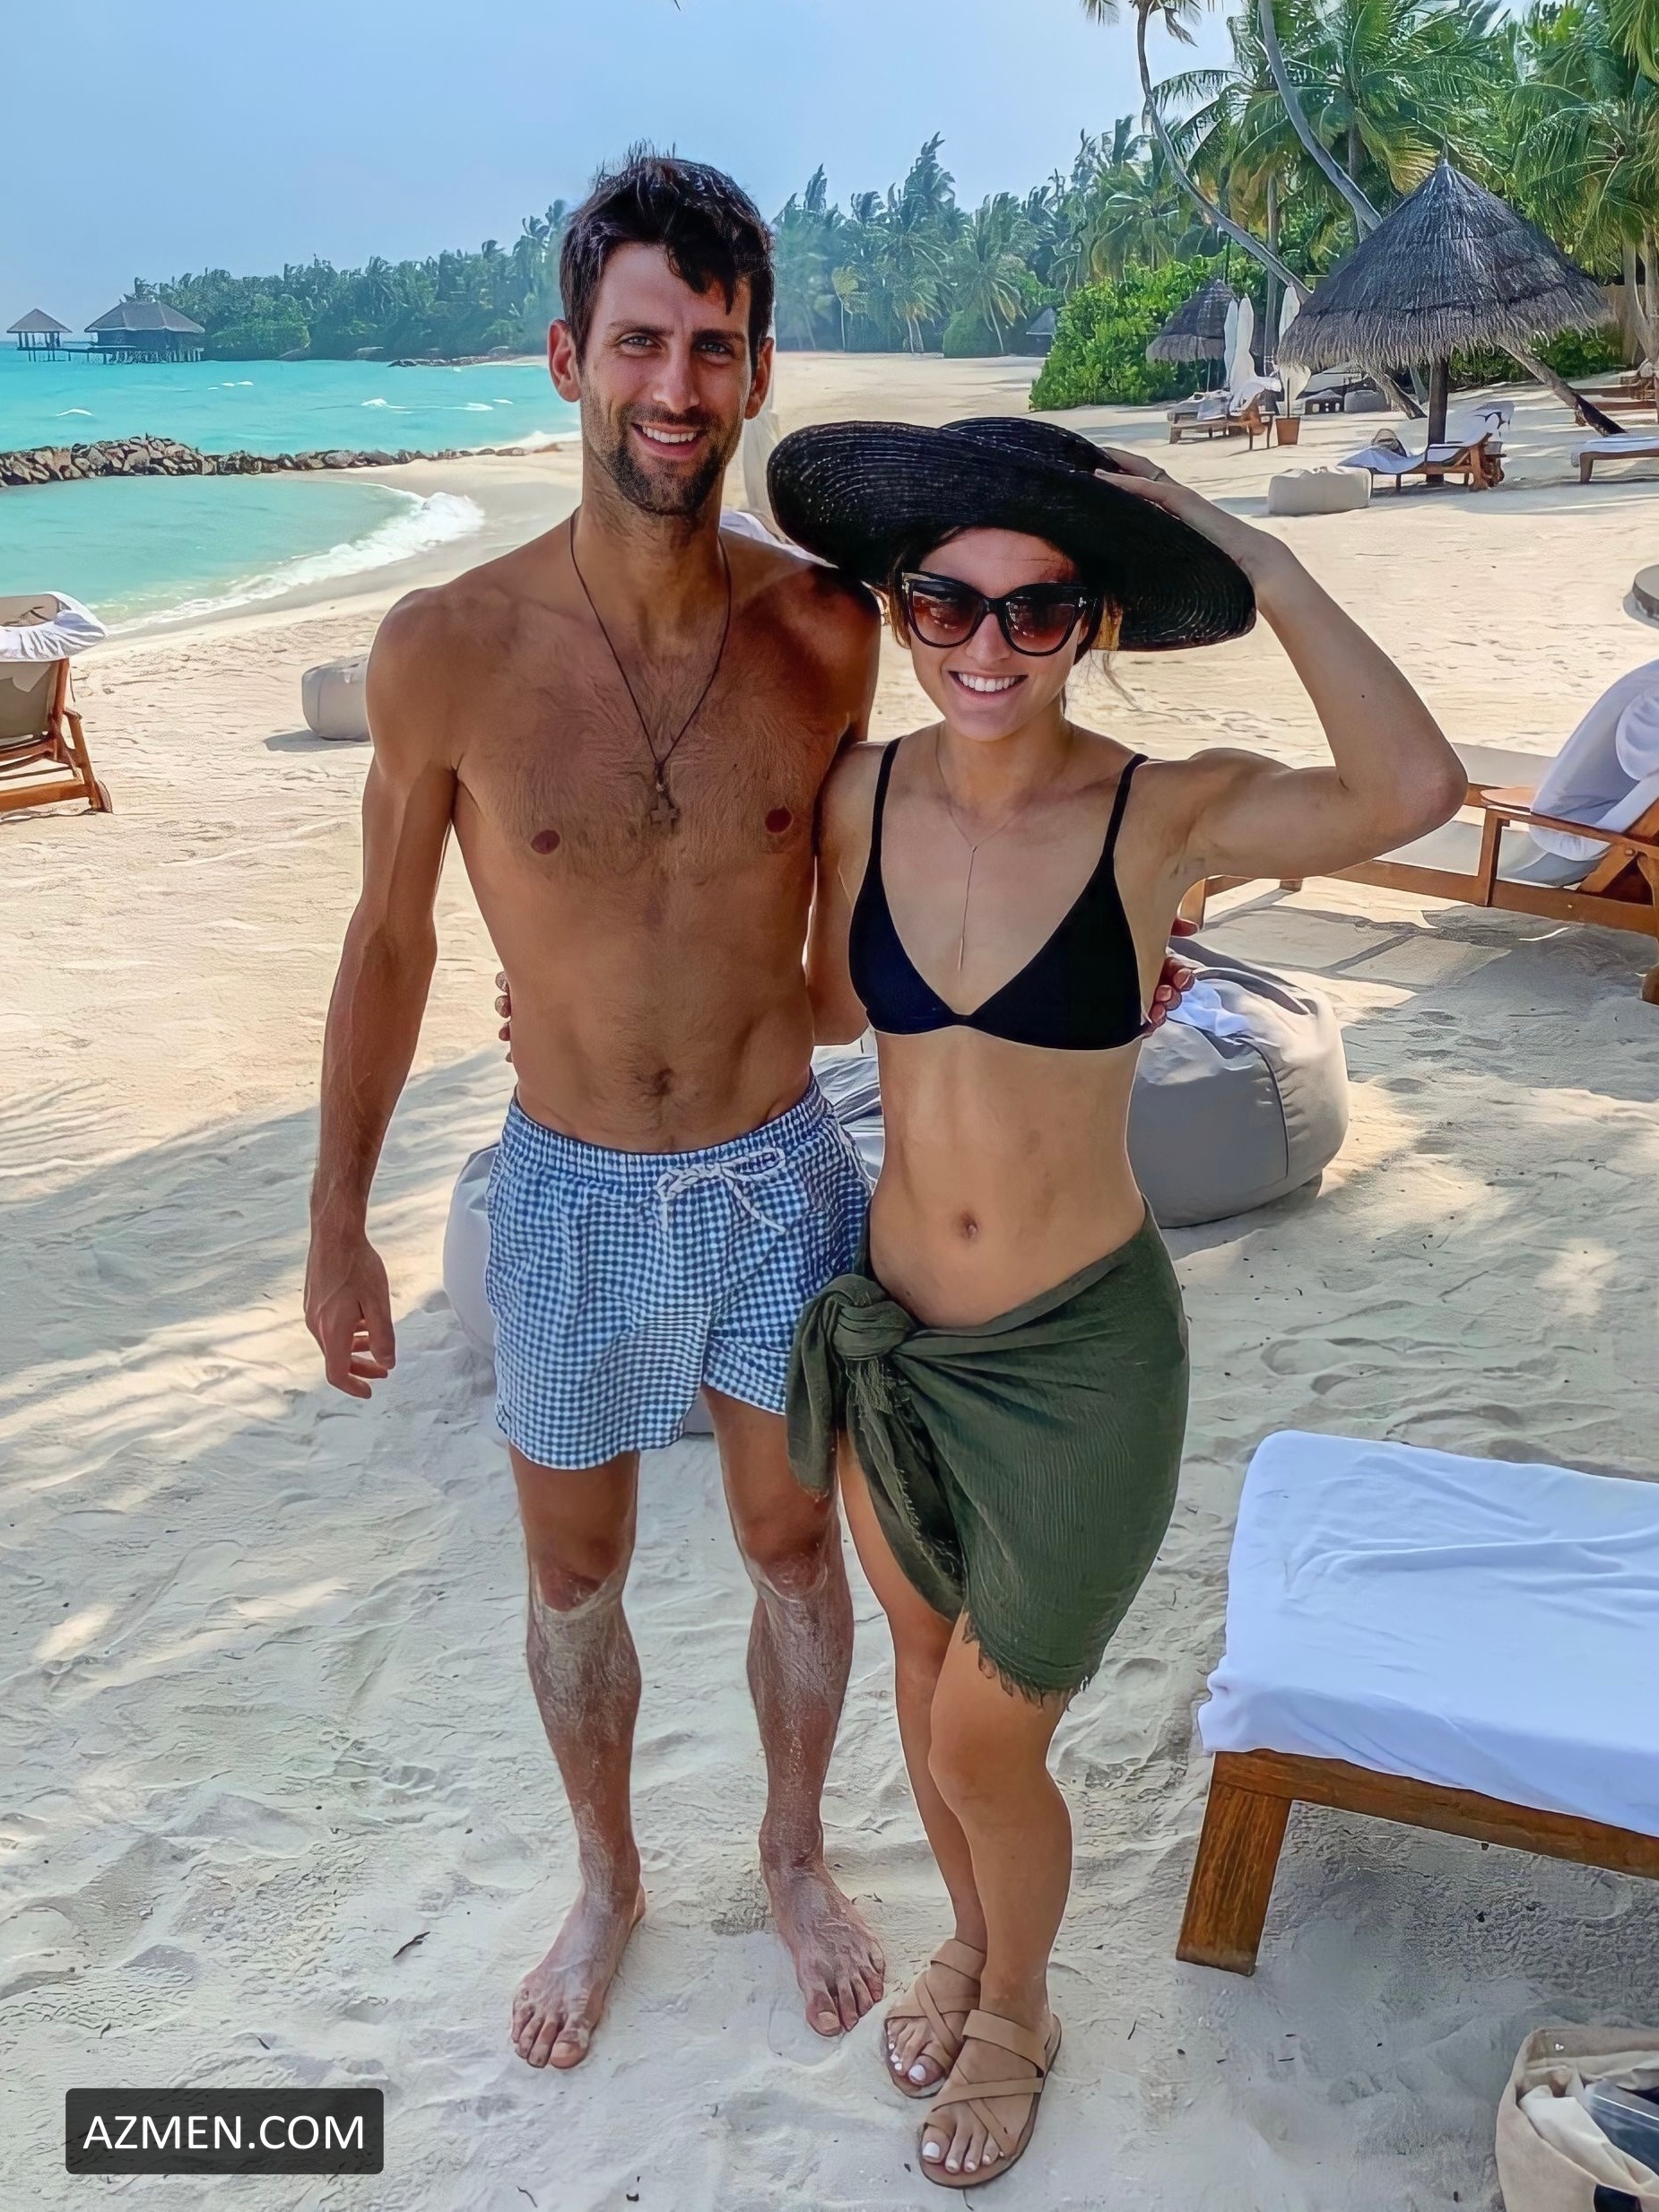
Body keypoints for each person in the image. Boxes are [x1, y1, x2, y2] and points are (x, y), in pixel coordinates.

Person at [305, 151, 1203, 2076]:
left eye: (712, 348)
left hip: (779, 1170)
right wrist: (335, 1220)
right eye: (640, 342)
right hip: (561, 1191)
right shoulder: (445, 647)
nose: (676, 386)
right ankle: (607, 1879)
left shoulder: (823, 633)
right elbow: (386, 941)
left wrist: (1111, 945)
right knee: (573, 1576)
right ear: (568, 357)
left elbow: (931, 847)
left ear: (757, 370)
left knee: (798, 1557)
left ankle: (794, 1854)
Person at [769, 415, 1466, 2188]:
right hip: (893, 1337)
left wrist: (1266, 558)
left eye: (1036, 610)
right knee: (922, 1689)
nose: (987, 646)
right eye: (947, 604)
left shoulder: (1168, 810)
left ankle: (1020, 2007)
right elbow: (826, 1007)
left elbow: (1411, 788)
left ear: (1091, 624)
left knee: (986, 1734)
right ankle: (971, 1945)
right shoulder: (859, 794)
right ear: (900, 609)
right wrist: (603, 1018)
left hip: (1079, 1358)